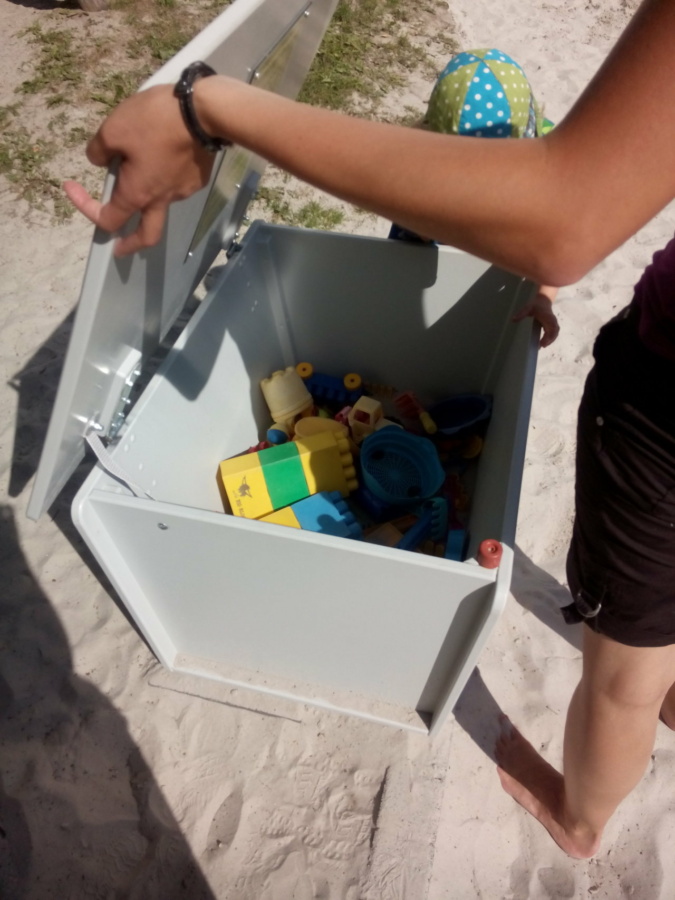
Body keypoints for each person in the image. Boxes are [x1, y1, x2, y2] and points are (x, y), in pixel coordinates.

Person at [63, 0, 675, 860]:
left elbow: (548, 224)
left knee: (625, 670)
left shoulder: (507, 209)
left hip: (661, 405)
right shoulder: (440, 218)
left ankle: (579, 820)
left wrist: (207, 104)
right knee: (657, 626)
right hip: (413, 415)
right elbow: (428, 258)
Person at [388, 48, 559, 348]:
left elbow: (556, 242)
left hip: (500, 275)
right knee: (410, 320)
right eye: (463, 169)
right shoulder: (417, 163)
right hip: (432, 259)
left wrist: (544, 297)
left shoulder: (548, 159)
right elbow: (411, 245)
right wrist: (437, 222)